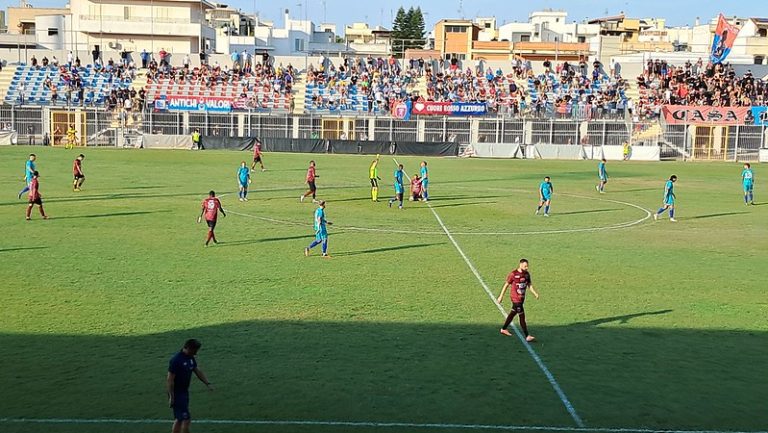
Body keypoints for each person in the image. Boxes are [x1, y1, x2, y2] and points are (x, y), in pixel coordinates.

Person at [167, 339, 213, 433]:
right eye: (195, 351)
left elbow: (197, 370)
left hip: (184, 393)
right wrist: (171, 397)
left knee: (179, 419)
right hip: (177, 394)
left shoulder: (190, 357)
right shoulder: (176, 360)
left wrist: (207, 383)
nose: (196, 353)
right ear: (188, 348)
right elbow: (170, 380)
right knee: (186, 419)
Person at [496, 258, 539, 342]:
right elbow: (506, 285)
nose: (527, 268)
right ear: (520, 265)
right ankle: (527, 336)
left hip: (521, 299)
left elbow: (529, 285)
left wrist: (535, 293)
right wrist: (501, 296)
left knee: (513, 313)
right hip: (515, 299)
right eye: (525, 266)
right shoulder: (513, 274)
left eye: (527, 266)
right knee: (522, 316)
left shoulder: (527, 274)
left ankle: (503, 329)